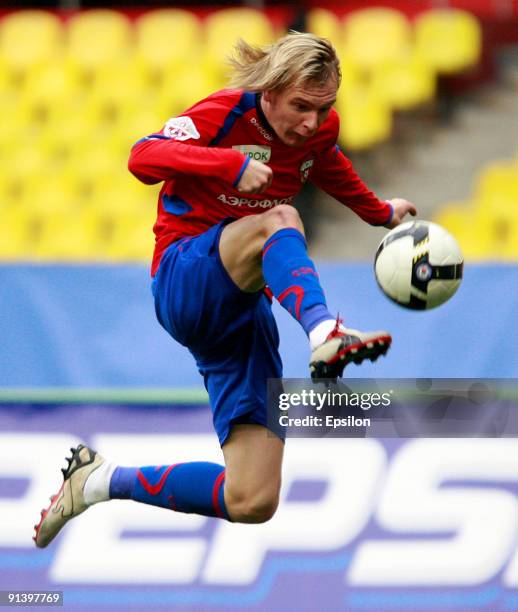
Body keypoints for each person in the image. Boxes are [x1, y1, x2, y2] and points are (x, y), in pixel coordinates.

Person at [34, 32, 416, 547]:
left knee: (252, 498)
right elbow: (142, 157)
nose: (312, 121)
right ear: (272, 90)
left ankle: (98, 480)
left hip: (239, 314)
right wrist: (227, 163)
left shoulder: (317, 130)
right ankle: (325, 328)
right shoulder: (224, 114)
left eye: (323, 109)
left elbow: (326, 164)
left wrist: (378, 213)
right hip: (182, 278)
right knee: (279, 218)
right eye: (302, 106)